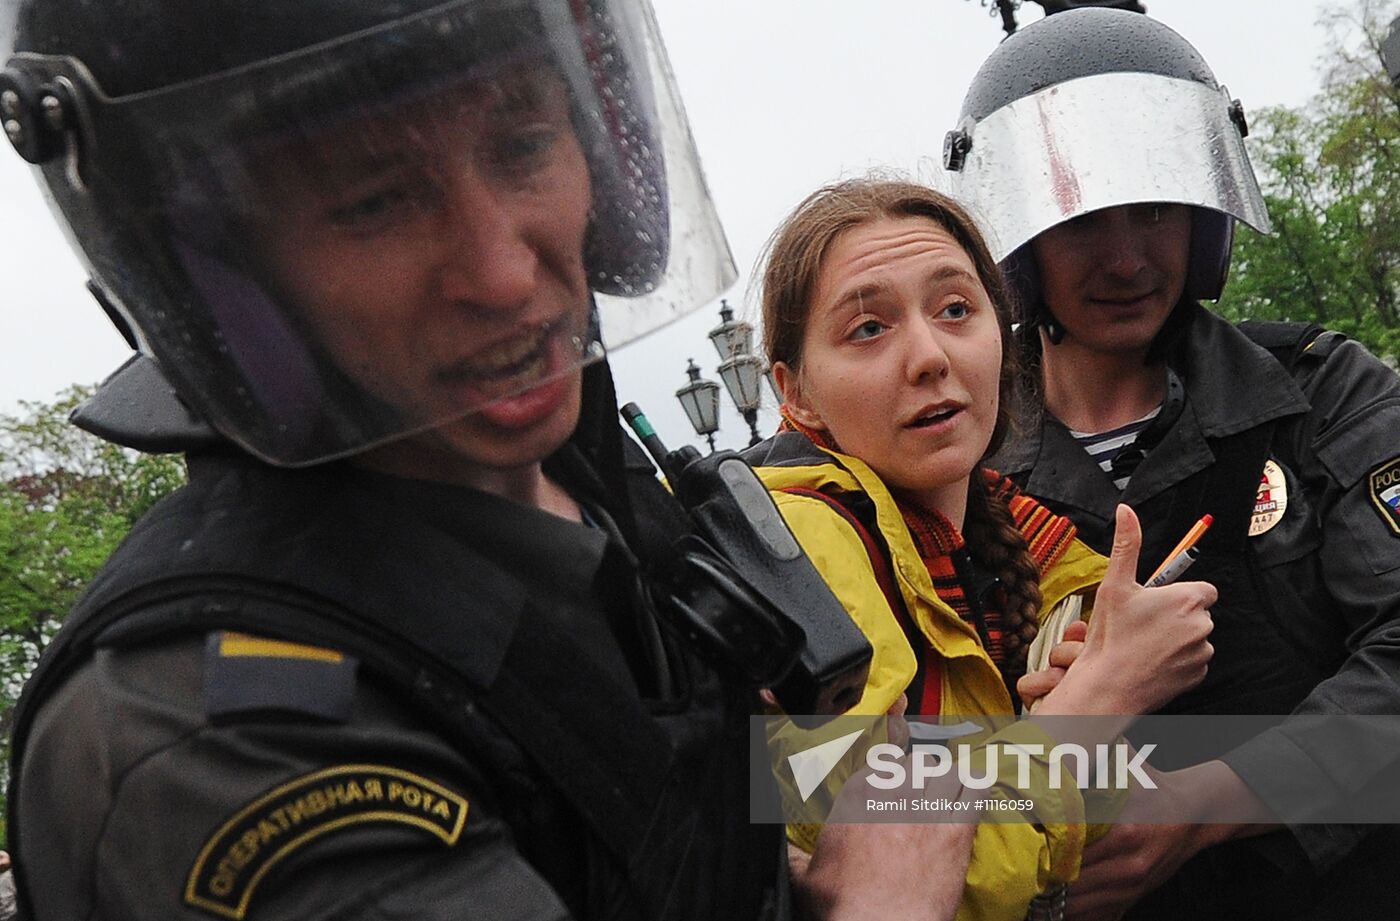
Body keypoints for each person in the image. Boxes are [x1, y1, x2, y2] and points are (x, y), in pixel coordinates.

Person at [0, 2, 977, 919]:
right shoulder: (205, 738)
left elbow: (718, 783)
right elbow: (867, 789)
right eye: (375, 201)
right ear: (216, 270)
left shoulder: (594, 486)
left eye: (521, 146)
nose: (505, 272)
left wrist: (1101, 761)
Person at [943, 7, 1400, 920]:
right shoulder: (956, 467)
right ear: (1023, 245)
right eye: (1082, 220)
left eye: (1153, 207)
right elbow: (852, 775)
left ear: (1203, 216)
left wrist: (1204, 805)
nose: (1125, 257)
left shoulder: (1324, 395)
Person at [744, 177, 1217, 921]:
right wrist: (1100, 697)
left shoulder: (1021, 540)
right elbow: (905, 884)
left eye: (956, 309)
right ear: (795, 394)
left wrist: (1078, 662)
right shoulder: (802, 551)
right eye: (869, 328)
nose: (930, 355)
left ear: (1001, 338)